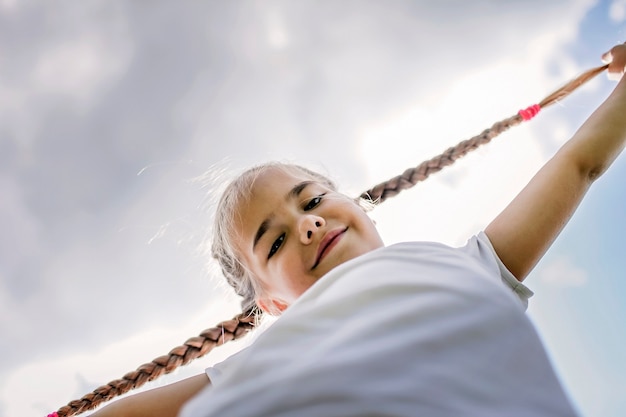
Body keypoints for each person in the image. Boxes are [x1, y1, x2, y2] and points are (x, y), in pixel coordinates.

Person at [88, 44, 626, 417]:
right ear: (270, 306)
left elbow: (579, 162)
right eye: (273, 241)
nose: (308, 224)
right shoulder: (265, 363)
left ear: (360, 205)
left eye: (314, 200)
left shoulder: (468, 267)